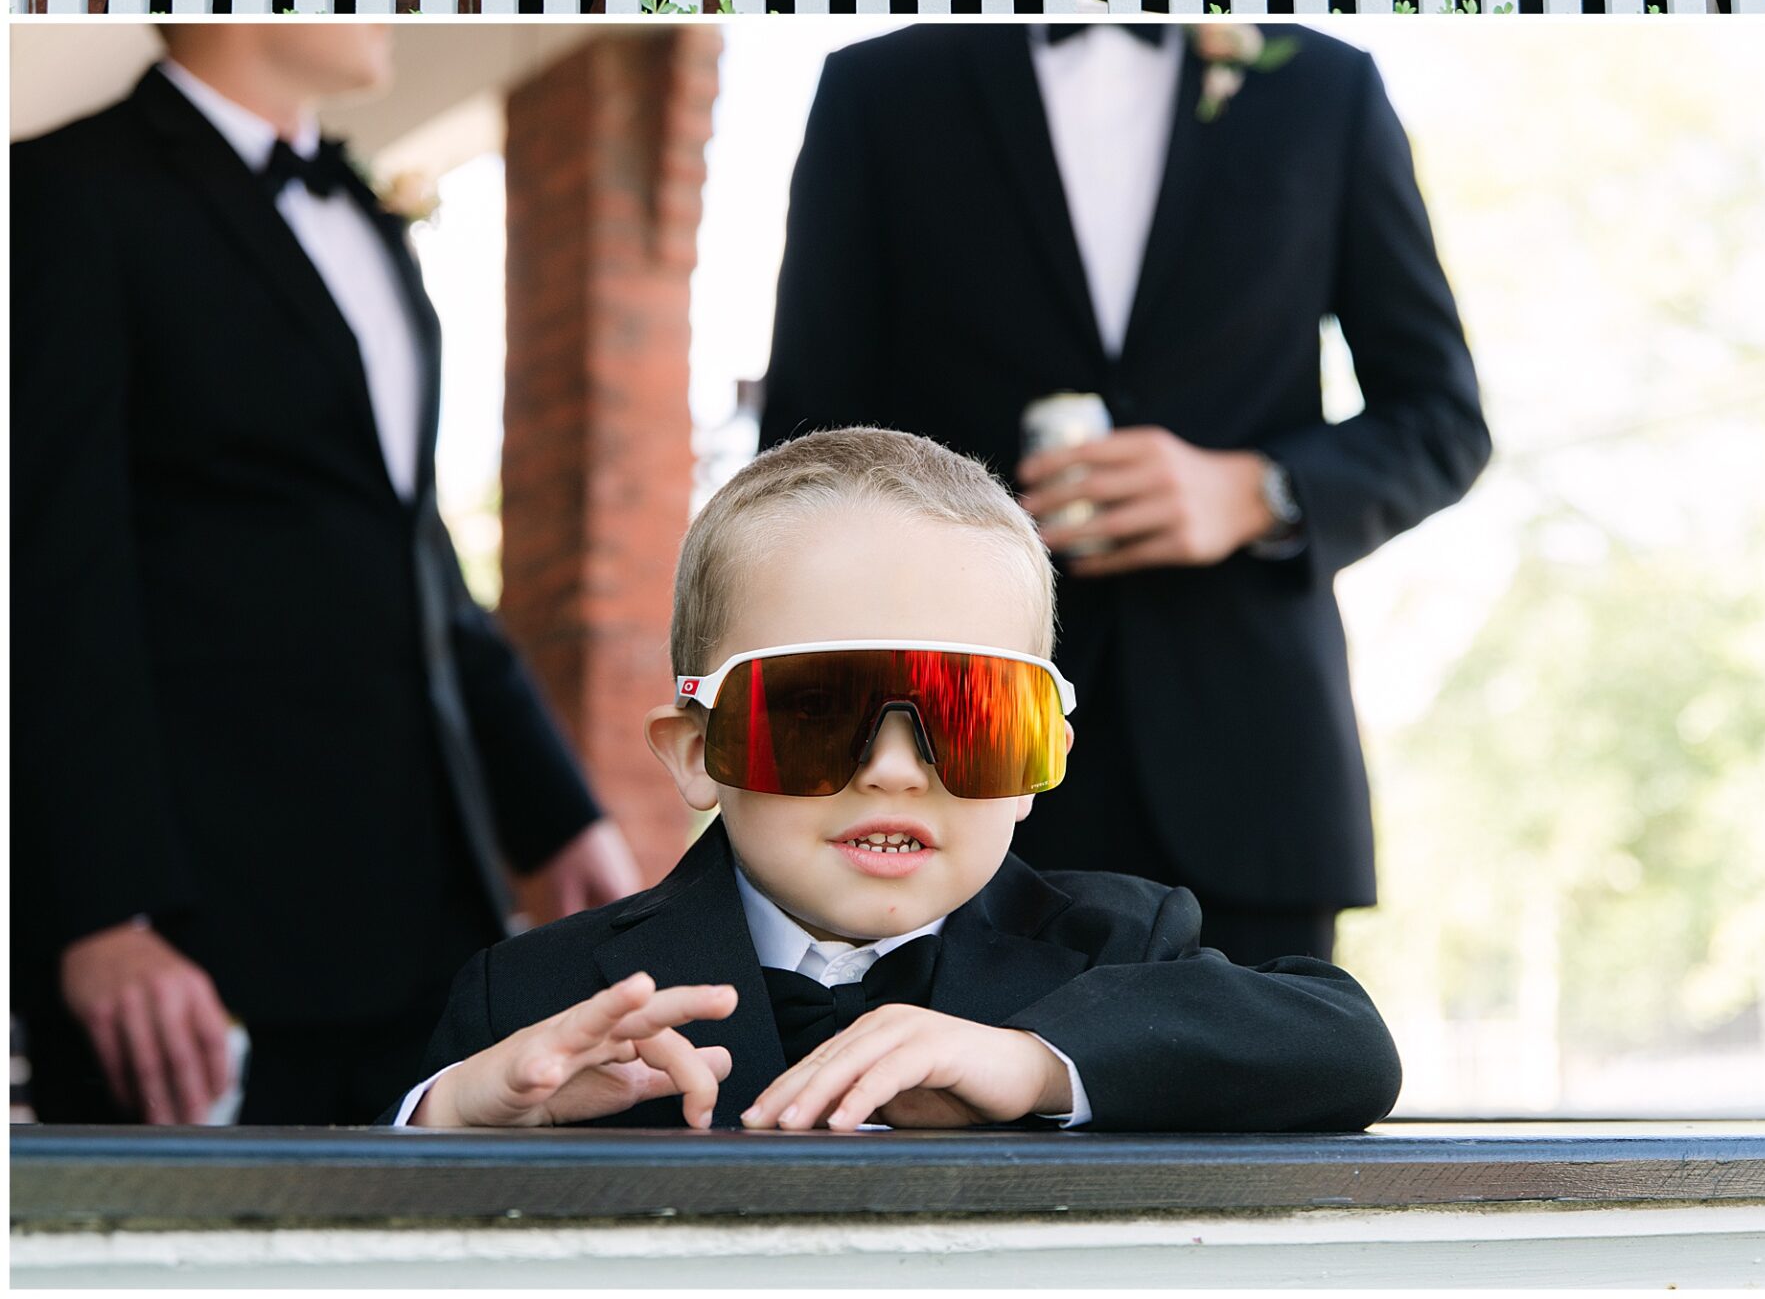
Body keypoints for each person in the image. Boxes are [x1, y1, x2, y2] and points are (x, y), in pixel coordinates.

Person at [390, 428, 1402, 1134]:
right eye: (817, 710)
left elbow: (1346, 1043)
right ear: (699, 751)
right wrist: (449, 1118)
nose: (892, 769)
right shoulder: (542, 996)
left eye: (970, 715)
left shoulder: (1113, 955)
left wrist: (1034, 1062)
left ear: (1034, 765)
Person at [759, 24, 1492, 969]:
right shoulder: (880, 85)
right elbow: (806, 445)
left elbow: (1440, 418)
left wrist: (1260, 492)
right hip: (949, 761)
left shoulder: (1324, 85)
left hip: (1247, 768)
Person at [11, 25, 637, 1127]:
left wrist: (556, 811)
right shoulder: (65, 191)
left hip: (417, 907)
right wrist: (99, 912)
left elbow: (411, 546)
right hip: (198, 927)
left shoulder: (360, 213)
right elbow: (49, 570)